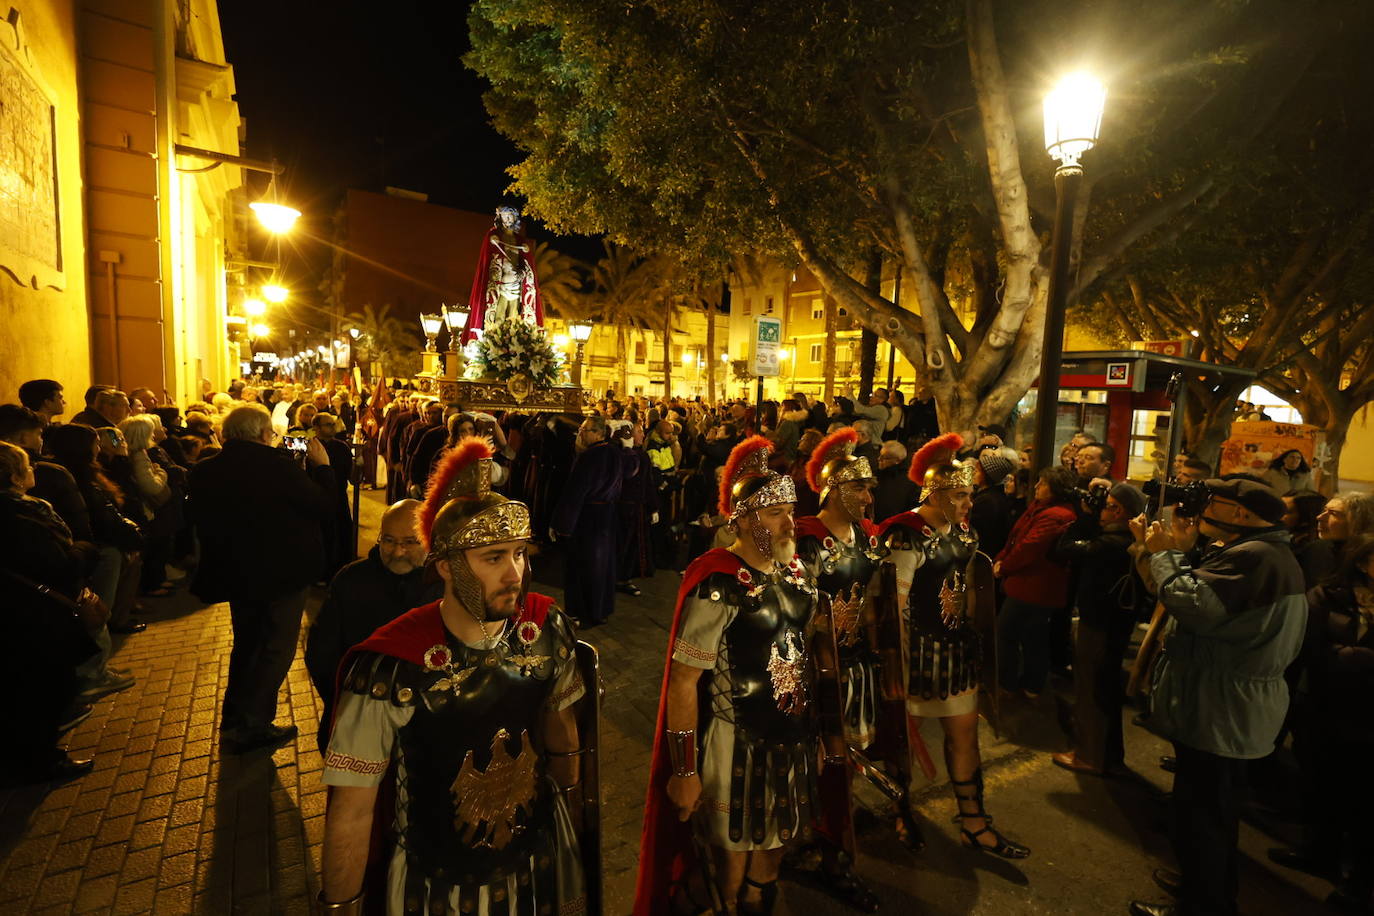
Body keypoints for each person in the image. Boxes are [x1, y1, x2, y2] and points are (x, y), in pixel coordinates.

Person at [319, 438, 588, 914]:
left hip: (536, 862)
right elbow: (353, 810)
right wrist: (340, 907)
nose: (515, 574)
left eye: (520, 554)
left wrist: (573, 822)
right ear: (445, 566)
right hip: (434, 884)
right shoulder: (389, 668)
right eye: (493, 558)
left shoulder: (546, 631)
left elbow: (562, 739)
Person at [635, 435, 822, 916]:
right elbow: (683, 681)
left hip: (791, 734)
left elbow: (804, 659)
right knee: (728, 866)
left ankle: (762, 898)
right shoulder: (717, 582)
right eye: (775, 512)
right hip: (734, 741)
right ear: (743, 518)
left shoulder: (798, 573)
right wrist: (685, 769)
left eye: (790, 510)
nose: (789, 523)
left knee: (779, 839)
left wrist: (819, 732)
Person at [1128, 474, 1306, 916]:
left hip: (1223, 708)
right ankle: (1207, 888)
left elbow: (1193, 605)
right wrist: (1172, 554)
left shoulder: (1254, 557)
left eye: (1216, 503)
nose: (1204, 509)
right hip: (1230, 705)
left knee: (1202, 816)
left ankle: (1202, 904)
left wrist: (1166, 555)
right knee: (1215, 812)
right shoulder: (1260, 554)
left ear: (1241, 514)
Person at [877, 432, 1029, 859]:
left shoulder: (963, 532)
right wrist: (897, 665)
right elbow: (896, 604)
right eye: (960, 495)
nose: (968, 504)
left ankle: (974, 822)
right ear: (936, 492)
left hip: (955, 651)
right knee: (902, 745)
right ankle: (901, 810)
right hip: (915, 654)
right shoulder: (907, 535)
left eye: (968, 495)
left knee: (965, 737)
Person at [188, 404, 337, 753]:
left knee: (247, 645)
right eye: (270, 433)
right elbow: (324, 506)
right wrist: (324, 468)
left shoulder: (205, 471)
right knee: (275, 649)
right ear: (260, 434)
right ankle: (252, 724)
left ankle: (235, 719)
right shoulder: (277, 468)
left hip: (235, 572)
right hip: (281, 573)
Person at [793, 428, 882, 910]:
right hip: (816, 672)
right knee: (816, 759)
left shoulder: (869, 538)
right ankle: (819, 843)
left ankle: (831, 840)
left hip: (858, 666)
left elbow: (879, 604)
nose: (869, 497)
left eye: (870, 489)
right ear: (833, 490)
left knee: (844, 764)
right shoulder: (806, 539)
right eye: (859, 489)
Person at [1269, 534, 1374, 912]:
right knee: (1321, 784)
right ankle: (1319, 852)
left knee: (1365, 804)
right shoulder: (1329, 595)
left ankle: (1359, 884)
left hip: (1368, 719)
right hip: (1324, 706)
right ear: (1363, 563)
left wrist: (1349, 658)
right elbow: (1304, 644)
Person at [304, 499, 441, 755]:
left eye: (410, 542)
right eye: (388, 540)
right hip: (357, 719)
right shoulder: (349, 580)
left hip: (424, 731)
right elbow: (322, 654)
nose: (398, 552)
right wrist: (350, 701)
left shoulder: (446, 585)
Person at [0, 442, 101, 786]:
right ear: (14, 476)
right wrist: (84, 550)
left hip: (18, 614)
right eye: (27, 467)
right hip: (33, 616)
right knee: (43, 691)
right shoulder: (21, 516)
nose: (33, 472)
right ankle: (41, 761)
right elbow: (58, 565)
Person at [1050, 483, 1147, 775]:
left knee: (1092, 690)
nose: (1101, 510)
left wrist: (1084, 517)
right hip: (1114, 624)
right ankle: (1108, 755)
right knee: (1104, 689)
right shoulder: (1128, 539)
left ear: (1118, 510)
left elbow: (1063, 549)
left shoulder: (1111, 544)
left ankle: (1091, 756)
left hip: (1100, 625)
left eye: (1107, 506)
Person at [993, 466, 1078, 698]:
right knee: (1033, 635)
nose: (1037, 487)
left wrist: (1005, 566)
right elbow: (1016, 538)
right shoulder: (1041, 508)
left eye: (1043, 483)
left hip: (1035, 586)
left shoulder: (1056, 515)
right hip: (1030, 584)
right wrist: (1001, 558)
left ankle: (1009, 683)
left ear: (1056, 489)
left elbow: (1029, 547)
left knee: (1008, 632)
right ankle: (1031, 684)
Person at [551, 415, 640, 626]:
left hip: (587, 518)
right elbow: (631, 469)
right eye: (582, 429)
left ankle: (582, 613)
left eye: (586, 430)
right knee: (603, 564)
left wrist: (561, 524)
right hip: (607, 517)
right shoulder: (615, 453)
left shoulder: (590, 456)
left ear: (599, 433)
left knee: (582, 565)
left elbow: (575, 492)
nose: (582, 433)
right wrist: (628, 448)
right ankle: (600, 610)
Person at [1282, 489, 1337, 589]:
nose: (1278, 516)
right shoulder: (1293, 540)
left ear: (1306, 516)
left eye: (1286, 512)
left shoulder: (1318, 548)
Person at [969, 449, 1017, 560]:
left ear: (986, 476)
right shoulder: (991, 496)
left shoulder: (987, 500)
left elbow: (976, 531)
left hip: (983, 555)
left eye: (977, 471)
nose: (974, 474)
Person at [872, 440, 918, 523]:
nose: (879, 459)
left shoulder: (910, 480)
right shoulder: (877, 473)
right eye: (880, 455)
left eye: (884, 458)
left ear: (897, 461)